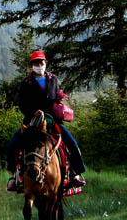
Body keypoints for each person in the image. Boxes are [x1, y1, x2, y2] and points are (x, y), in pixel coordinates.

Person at [6, 51, 86, 191]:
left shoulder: (52, 79)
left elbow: (53, 97)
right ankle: (14, 177)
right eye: (36, 62)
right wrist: (33, 112)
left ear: (45, 63)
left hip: (52, 120)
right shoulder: (26, 83)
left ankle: (75, 174)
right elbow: (22, 105)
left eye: (41, 62)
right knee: (12, 145)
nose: (39, 65)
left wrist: (59, 100)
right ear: (32, 65)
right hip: (32, 121)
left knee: (72, 143)